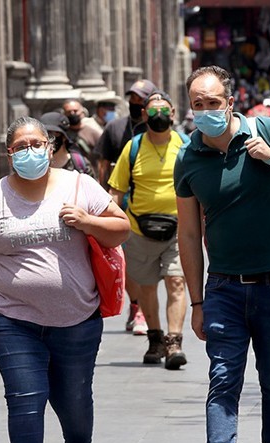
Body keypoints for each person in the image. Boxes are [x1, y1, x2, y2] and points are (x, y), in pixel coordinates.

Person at [0, 116, 129, 443]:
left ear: (50, 148)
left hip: (77, 321)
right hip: (12, 319)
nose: (29, 151)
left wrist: (87, 221)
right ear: (9, 154)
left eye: (36, 144)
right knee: (25, 400)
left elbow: (121, 229)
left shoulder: (79, 185)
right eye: (20, 147)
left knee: (75, 407)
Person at [175, 66, 270, 443]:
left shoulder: (267, 130)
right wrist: (196, 302)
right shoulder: (188, 156)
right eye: (197, 104)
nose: (205, 110)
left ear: (230, 102)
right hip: (223, 289)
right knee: (223, 380)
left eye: (212, 102)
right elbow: (188, 233)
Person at [107, 90, 189, 369]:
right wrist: (111, 227)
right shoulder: (133, 148)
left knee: (176, 282)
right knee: (147, 287)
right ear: (143, 115)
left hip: (178, 230)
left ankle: (174, 342)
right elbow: (116, 191)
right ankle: (155, 339)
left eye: (164, 111)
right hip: (139, 231)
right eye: (153, 111)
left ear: (173, 114)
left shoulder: (186, 146)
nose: (159, 116)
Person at [93, 78, 158, 335]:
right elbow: (103, 164)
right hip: (123, 203)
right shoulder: (116, 128)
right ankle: (137, 304)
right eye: (132, 98)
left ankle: (146, 307)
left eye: (140, 99)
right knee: (128, 258)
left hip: (154, 204)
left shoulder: (160, 128)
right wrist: (102, 198)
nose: (134, 102)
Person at [40, 111, 94, 177]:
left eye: (55, 133)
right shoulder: (35, 165)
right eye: (44, 133)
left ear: (64, 137)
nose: (49, 138)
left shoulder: (79, 164)